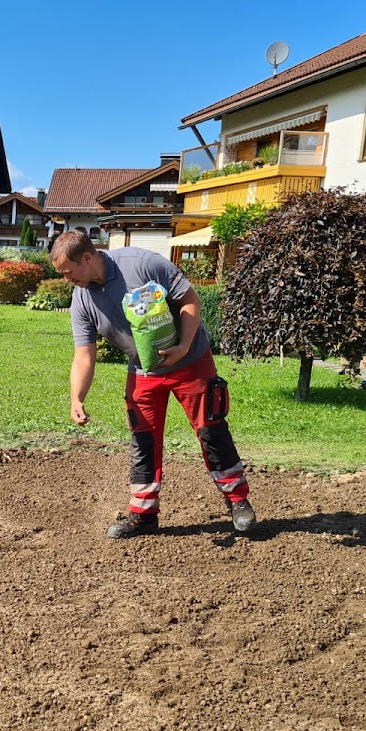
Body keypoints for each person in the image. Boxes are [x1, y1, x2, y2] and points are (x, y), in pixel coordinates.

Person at [50, 230, 255, 538]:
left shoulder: (143, 264)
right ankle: (144, 514)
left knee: (211, 431)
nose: (66, 280)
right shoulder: (82, 299)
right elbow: (84, 355)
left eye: (68, 272)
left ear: (87, 258)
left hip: (191, 362)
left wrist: (183, 346)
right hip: (143, 371)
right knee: (143, 440)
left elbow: (190, 301)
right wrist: (76, 398)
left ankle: (238, 502)